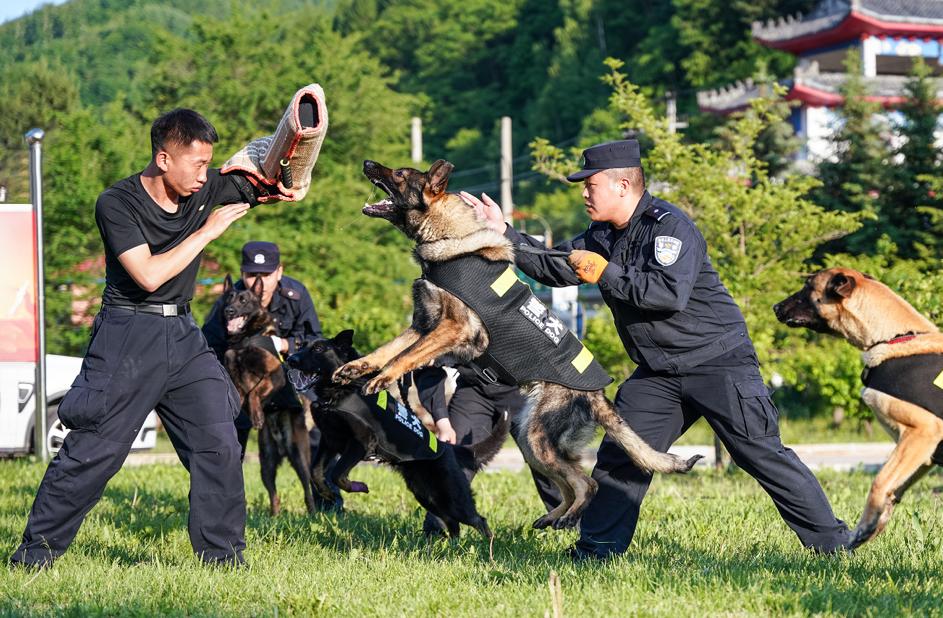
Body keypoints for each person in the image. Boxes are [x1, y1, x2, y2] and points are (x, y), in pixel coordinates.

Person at [461, 139, 851, 561]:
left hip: (717, 361)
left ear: (623, 185)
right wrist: (504, 234)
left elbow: (667, 294)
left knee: (759, 453)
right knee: (620, 455)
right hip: (659, 373)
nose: (584, 193)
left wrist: (605, 272)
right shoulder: (600, 234)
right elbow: (552, 265)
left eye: (590, 185)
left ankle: (834, 546)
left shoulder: (669, 226)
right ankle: (596, 552)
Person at [10, 108, 260, 568]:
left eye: (210, 164)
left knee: (219, 441)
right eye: (197, 164)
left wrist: (296, 161)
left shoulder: (207, 185)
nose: (206, 176)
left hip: (183, 335)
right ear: (164, 159)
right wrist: (208, 232)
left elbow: (271, 172)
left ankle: (224, 560)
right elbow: (147, 275)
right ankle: (33, 557)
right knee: (94, 454)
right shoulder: (117, 203)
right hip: (128, 333)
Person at [202, 241, 322, 458]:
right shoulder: (230, 300)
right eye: (252, 274)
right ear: (242, 273)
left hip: (289, 374)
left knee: (315, 411)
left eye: (266, 274)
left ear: (279, 272)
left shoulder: (296, 295)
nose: (261, 282)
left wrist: (286, 345)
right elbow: (209, 345)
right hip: (242, 381)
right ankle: (227, 488)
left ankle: (322, 486)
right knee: (231, 429)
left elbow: (315, 340)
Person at [409, 365, 561, 536]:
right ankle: (436, 533)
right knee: (452, 463)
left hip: (525, 390)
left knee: (547, 462)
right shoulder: (449, 336)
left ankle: (574, 525)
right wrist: (442, 420)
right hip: (475, 390)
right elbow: (425, 366)